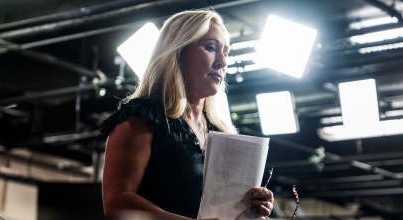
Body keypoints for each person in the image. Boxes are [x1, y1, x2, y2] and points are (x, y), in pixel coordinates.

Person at [101, 9, 274, 220]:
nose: (222, 62)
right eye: (211, 47)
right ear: (178, 52)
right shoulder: (143, 115)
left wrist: (252, 206)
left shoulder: (221, 132)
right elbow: (117, 203)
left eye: (226, 52)